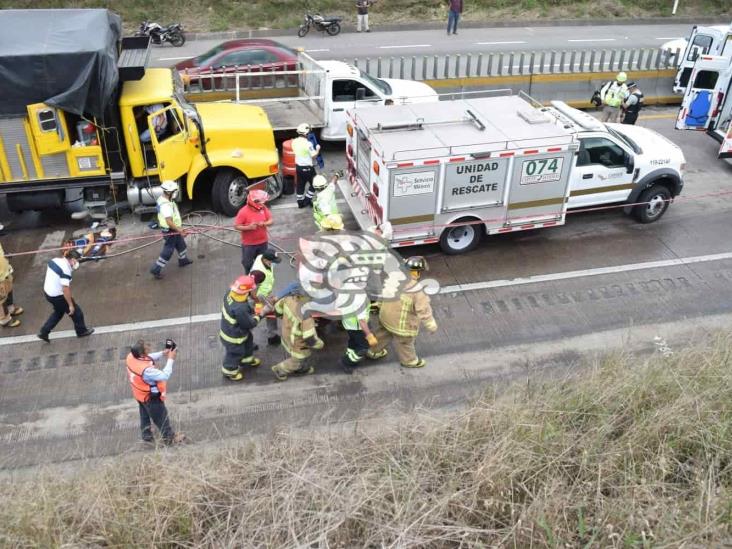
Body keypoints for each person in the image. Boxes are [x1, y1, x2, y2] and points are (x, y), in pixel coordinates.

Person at [367, 256, 437, 368]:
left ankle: (374, 351)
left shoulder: (394, 277)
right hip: (402, 326)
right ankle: (409, 361)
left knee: (381, 335)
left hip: (385, 317)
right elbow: (423, 310)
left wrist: (378, 305)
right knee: (405, 344)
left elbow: (384, 293)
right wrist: (431, 325)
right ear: (417, 272)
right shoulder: (417, 290)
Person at [126, 339, 185, 445]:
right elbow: (164, 375)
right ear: (142, 353)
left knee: (144, 414)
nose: (149, 346)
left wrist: (162, 353)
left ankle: (146, 434)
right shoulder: (147, 371)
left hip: (139, 394)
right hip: (151, 398)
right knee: (161, 417)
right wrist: (171, 359)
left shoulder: (131, 357)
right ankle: (169, 438)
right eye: (146, 347)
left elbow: (147, 358)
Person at [37, 249, 94, 342]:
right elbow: (65, 288)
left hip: (48, 293)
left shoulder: (55, 260)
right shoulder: (66, 271)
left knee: (58, 312)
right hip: (58, 296)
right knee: (76, 312)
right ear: (71, 259)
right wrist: (70, 305)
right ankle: (81, 331)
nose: (76, 263)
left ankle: (44, 332)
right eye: (76, 260)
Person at [271, 284, 324, 381]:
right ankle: (280, 369)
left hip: (286, 332)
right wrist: (320, 344)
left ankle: (303, 369)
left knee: (297, 354)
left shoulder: (288, 299)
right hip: (298, 342)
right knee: (298, 359)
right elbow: (310, 339)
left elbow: (277, 309)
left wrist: (281, 316)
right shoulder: (305, 315)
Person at [220, 275, 267, 381]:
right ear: (247, 292)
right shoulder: (240, 308)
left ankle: (246, 360)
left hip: (231, 330)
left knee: (248, 341)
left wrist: (251, 306)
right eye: (253, 289)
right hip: (234, 337)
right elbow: (249, 324)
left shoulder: (230, 293)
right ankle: (229, 370)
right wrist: (261, 313)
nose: (255, 291)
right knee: (236, 353)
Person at [150, 180, 193, 279]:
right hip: (170, 230)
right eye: (174, 191)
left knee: (181, 245)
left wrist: (179, 228)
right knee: (168, 251)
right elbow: (169, 221)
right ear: (169, 192)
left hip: (174, 229)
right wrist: (179, 230)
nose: (175, 193)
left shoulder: (165, 199)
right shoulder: (166, 205)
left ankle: (183, 260)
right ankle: (156, 269)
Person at [234, 189, 273, 274]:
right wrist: (249, 227)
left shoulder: (263, 208)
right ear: (254, 202)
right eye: (261, 202)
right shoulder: (243, 212)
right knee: (247, 263)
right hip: (249, 245)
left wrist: (264, 223)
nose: (263, 204)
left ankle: (261, 276)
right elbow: (236, 226)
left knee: (262, 262)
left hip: (263, 242)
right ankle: (249, 275)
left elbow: (271, 221)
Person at [250, 249, 282, 346]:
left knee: (271, 313)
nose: (273, 264)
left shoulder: (262, 257)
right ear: (265, 260)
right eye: (272, 261)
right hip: (257, 298)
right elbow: (252, 291)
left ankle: (272, 336)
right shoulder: (257, 273)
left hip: (265, 294)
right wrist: (258, 303)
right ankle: (247, 341)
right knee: (255, 318)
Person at [341, 306, 377, 372]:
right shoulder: (360, 299)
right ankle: (347, 361)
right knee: (363, 348)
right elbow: (362, 321)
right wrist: (369, 335)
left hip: (348, 323)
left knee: (353, 341)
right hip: (358, 327)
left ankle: (350, 354)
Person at [292, 123, 320, 208]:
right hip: (308, 168)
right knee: (316, 184)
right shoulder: (308, 144)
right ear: (305, 134)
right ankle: (307, 200)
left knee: (300, 184)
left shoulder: (294, 142)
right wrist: (318, 149)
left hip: (298, 168)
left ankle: (300, 203)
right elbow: (314, 155)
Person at [0, 240, 23, 328]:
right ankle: (5, 320)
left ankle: (10, 309)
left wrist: (5, 256)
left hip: (5, 271)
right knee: (1, 299)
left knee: (9, 290)